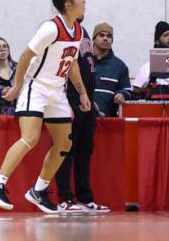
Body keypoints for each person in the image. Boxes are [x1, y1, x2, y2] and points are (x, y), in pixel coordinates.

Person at [0, 0, 92, 214]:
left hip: (58, 90)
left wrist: (82, 91)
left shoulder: (79, 31)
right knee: (29, 138)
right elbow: (24, 56)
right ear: (68, 4)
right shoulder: (51, 27)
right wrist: (17, 86)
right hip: (37, 86)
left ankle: (39, 190)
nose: (84, 0)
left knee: (64, 143)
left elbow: (72, 64)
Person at [56, 23, 110, 214]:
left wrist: (88, 96)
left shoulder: (82, 31)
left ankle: (85, 198)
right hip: (71, 97)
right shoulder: (63, 31)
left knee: (84, 150)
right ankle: (64, 198)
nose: (83, 2)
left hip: (87, 97)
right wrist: (63, 101)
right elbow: (63, 67)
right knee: (66, 149)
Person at [90, 23, 131, 117]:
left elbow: (127, 91)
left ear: (112, 41)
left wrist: (122, 95)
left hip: (108, 121)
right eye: (101, 35)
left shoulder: (120, 66)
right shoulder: (83, 62)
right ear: (94, 39)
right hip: (82, 120)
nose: (105, 38)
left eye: (109, 36)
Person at [132, 21, 169, 93]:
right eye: (166, 35)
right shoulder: (146, 68)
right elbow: (135, 91)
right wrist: (144, 89)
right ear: (157, 41)